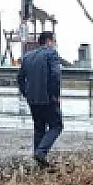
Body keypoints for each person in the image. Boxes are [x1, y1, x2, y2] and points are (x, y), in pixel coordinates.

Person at [17, 31, 63, 168]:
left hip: (33, 99)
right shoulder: (51, 54)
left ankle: (39, 162)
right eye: (54, 41)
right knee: (56, 125)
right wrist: (55, 95)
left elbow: (20, 78)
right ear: (49, 41)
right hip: (48, 98)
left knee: (39, 128)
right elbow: (55, 75)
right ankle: (41, 152)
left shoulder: (27, 56)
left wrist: (26, 94)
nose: (54, 44)